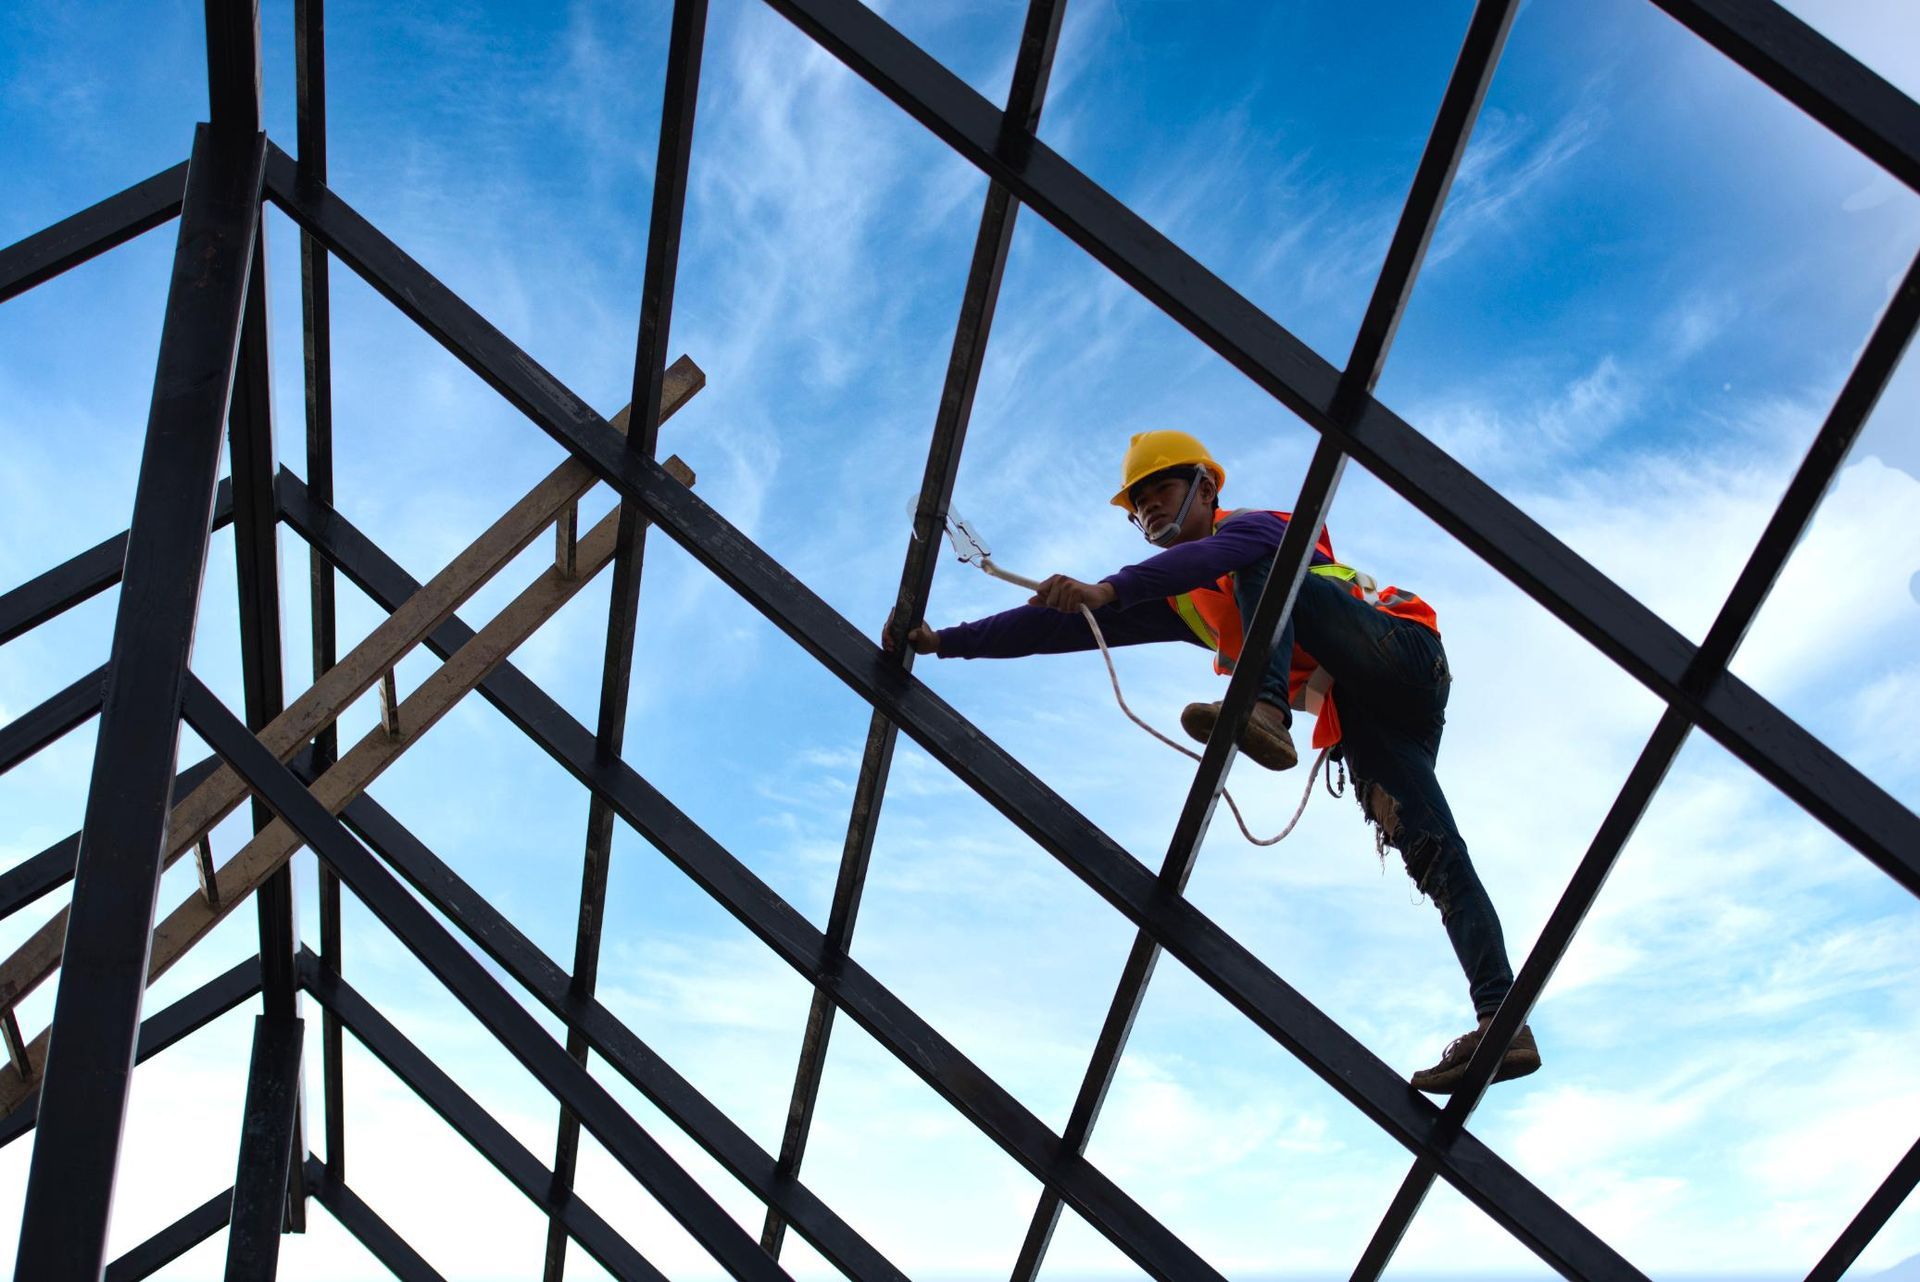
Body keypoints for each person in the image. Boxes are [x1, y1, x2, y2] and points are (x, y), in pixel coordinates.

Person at [885, 430, 1539, 1093]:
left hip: (1401, 652)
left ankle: (1264, 713)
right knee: (1431, 851)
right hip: (1363, 713)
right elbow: (1056, 630)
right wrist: (945, 642)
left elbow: (1218, 562)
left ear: (1206, 487)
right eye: (1136, 506)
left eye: (1160, 490)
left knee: (1267, 572)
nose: (1147, 511)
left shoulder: (1265, 528)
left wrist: (1107, 590)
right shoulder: (1187, 601)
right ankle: (1501, 1019)